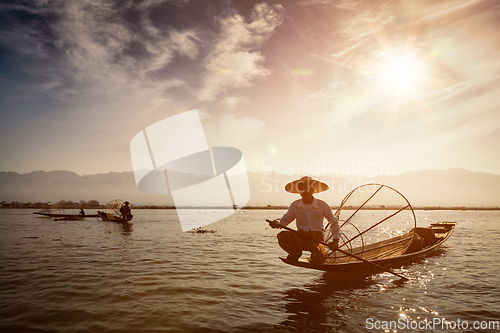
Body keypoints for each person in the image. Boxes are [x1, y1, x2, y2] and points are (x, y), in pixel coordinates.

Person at [269, 176, 340, 264]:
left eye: (308, 189)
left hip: (316, 239)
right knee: (282, 236)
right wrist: (277, 223)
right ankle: (295, 253)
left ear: (312, 190)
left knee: (320, 259)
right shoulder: (295, 205)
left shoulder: (322, 205)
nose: (306, 192)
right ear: (300, 192)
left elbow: (334, 222)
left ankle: (317, 255)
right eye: (302, 189)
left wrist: (335, 240)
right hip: (300, 237)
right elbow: (286, 219)